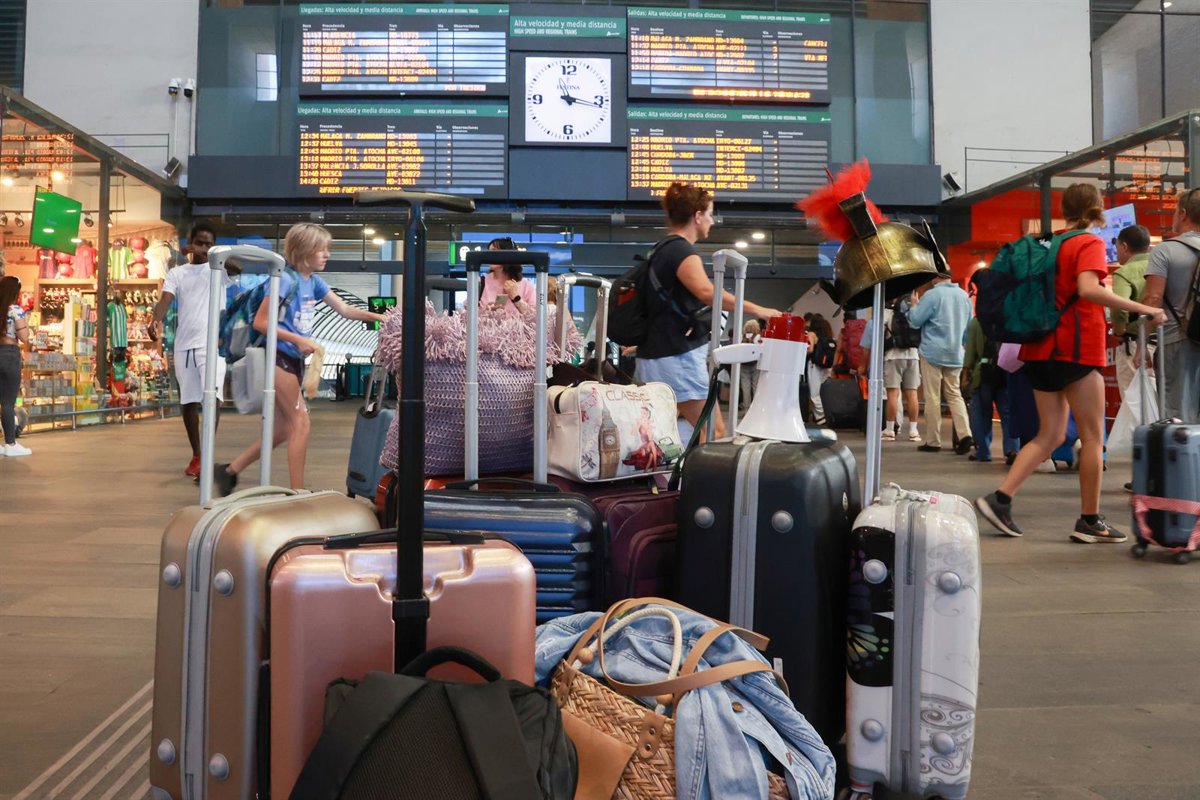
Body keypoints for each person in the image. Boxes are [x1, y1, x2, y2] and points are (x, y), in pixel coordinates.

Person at [976, 183, 1166, 543]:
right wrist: (1145, 308)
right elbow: (1088, 289)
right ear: (1098, 207)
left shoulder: (1052, 243)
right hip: (1075, 349)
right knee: (1093, 437)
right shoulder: (1087, 242)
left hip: (1039, 349)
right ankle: (1090, 520)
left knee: (1050, 434)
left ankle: (1000, 499)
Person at [214, 223, 386, 493]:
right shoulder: (285, 280)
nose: (327, 254)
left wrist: (382, 318)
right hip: (278, 357)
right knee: (301, 423)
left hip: (292, 359)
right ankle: (298, 492)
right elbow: (261, 322)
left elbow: (344, 310)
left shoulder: (314, 282)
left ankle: (229, 471)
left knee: (283, 429)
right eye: (321, 249)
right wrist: (299, 340)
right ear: (304, 251)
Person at [634, 182, 781, 441]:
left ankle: (678, 468)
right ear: (697, 215)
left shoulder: (660, 250)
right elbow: (707, 292)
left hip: (658, 355)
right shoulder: (680, 250)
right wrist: (759, 310)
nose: (712, 221)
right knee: (712, 430)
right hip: (675, 356)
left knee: (667, 431)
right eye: (710, 214)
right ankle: (694, 470)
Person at [150, 223, 227, 478]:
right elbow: (165, 300)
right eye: (200, 243)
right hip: (184, 346)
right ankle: (197, 454)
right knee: (189, 401)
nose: (204, 248)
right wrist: (155, 320)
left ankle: (208, 452)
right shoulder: (177, 273)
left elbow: (238, 267)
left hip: (211, 345)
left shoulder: (218, 270)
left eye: (209, 244)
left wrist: (213, 255)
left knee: (213, 397)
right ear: (191, 243)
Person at [1141, 188, 1200, 422]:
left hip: (1177, 339)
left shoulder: (1165, 250)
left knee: (1176, 416)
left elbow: (1153, 299)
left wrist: (1142, 342)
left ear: (1183, 214)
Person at [907, 275, 973, 453]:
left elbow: (915, 321)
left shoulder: (932, 295)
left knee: (932, 397)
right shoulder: (964, 296)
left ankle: (933, 441)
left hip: (932, 352)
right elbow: (968, 329)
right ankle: (965, 434)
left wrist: (914, 306)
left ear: (936, 276)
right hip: (956, 353)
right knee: (954, 395)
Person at [859, 300, 921, 442]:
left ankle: (889, 429)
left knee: (893, 394)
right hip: (913, 356)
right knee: (912, 394)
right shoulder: (912, 313)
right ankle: (913, 431)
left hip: (892, 357)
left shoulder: (885, 314)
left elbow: (875, 338)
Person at [962, 317, 1019, 462]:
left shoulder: (977, 322)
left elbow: (970, 351)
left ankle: (983, 451)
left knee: (981, 414)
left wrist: (966, 373)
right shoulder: (1010, 319)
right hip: (1006, 372)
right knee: (1008, 414)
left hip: (984, 373)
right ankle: (1012, 449)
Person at [1109, 224, 1152, 399]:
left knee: (1134, 404)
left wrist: (1120, 331)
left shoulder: (1125, 272)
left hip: (1135, 346)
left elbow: (1119, 308)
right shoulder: (1162, 266)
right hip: (1167, 342)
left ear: (1124, 246)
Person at [0, 275, 32, 457]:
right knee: (7, 402)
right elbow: (24, 337)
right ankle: (10, 444)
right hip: (10, 354)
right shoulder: (15, 310)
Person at [480, 236, 535, 315]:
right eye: (489, 252)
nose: (490, 256)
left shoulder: (526, 285)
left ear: (509, 255)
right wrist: (485, 312)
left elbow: (534, 316)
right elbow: (467, 313)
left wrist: (516, 298)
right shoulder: (480, 283)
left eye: (494, 251)